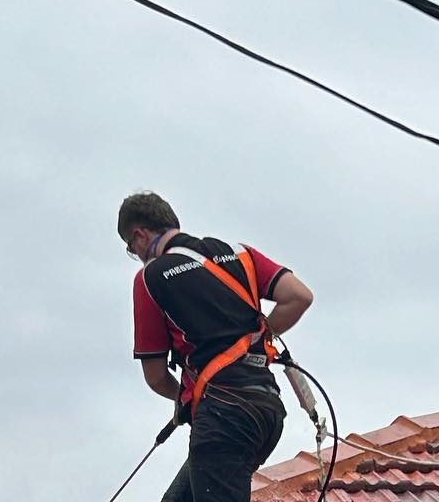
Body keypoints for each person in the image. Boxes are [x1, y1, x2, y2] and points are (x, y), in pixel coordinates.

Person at [123, 191, 314, 502]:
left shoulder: (150, 278)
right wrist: (259, 338)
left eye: (132, 249)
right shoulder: (240, 254)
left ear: (140, 235)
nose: (137, 255)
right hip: (266, 408)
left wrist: (184, 397)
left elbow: (156, 376)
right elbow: (298, 297)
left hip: (223, 416)